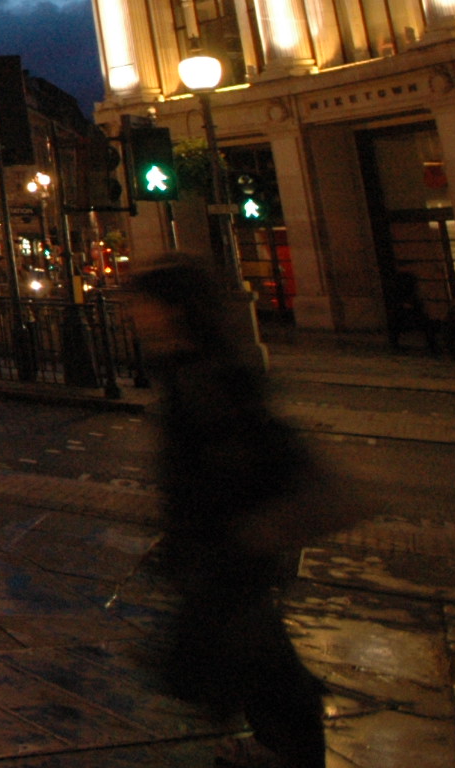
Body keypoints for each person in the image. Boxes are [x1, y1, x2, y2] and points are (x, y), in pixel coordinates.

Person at [124, 254, 326, 768]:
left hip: (230, 553)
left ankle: (282, 749)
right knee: (256, 664)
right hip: (222, 552)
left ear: (173, 310)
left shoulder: (207, 378)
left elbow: (243, 463)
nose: (134, 316)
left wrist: (231, 534)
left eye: (143, 305)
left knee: (263, 666)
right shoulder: (186, 371)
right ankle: (272, 743)